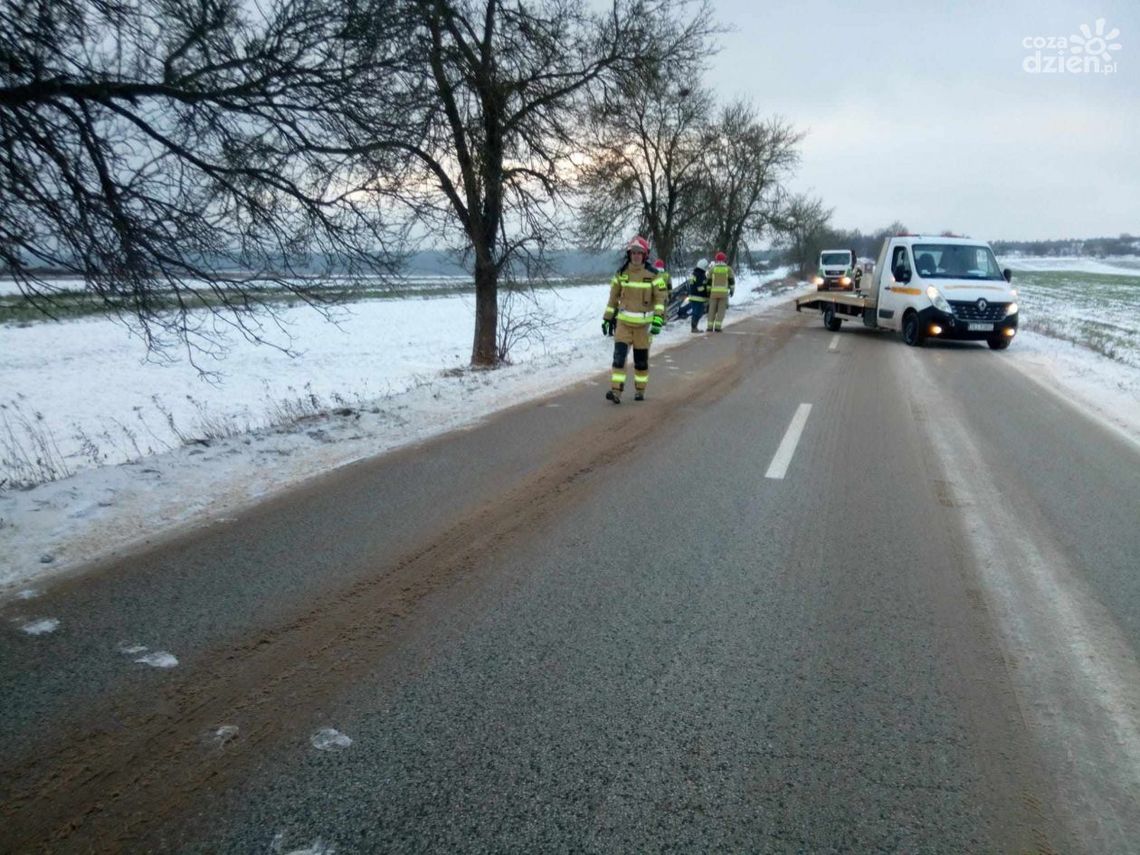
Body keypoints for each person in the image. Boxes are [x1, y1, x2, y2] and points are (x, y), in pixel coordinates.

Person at [601, 236, 668, 403]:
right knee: (619, 358)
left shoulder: (654, 275)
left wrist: (658, 319)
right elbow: (613, 298)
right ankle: (616, 391)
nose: (636, 256)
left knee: (641, 362)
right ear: (629, 254)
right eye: (633, 253)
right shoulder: (621, 274)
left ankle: (640, 390)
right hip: (623, 324)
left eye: (639, 253)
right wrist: (607, 318)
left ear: (645, 255)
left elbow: (660, 298)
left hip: (643, 328)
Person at [706, 251, 735, 332]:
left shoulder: (712, 269)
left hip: (713, 293)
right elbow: (732, 282)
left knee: (711, 310)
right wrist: (732, 290)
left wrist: (708, 291)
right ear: (724, 260)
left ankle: (709, 327)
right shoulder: (728, 269)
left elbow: (709, 282)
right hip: (723, 294)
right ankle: (718, 327)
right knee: (721, 311)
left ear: (716, 260)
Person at [685, 258, 710, 332]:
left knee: (696, 312)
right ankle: (694, 328)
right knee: (698, 313)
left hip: (692, 296)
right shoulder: (700, 275)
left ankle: (694, 327)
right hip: (699, 297)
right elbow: (700, 288)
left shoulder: (694, 274)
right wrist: (706, 294)